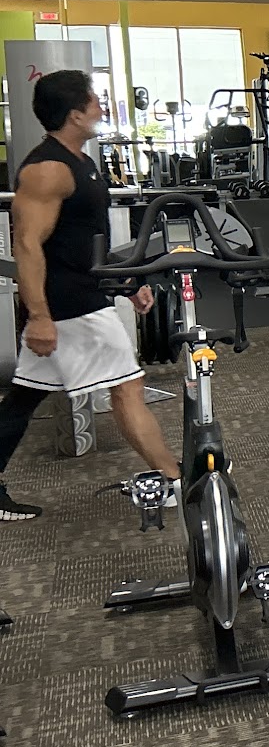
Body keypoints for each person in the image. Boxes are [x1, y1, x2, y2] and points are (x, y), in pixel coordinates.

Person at [0, 71, 179, 522]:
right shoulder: (48, 169)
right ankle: (174, 480)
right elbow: (27, 246)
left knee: (23, 399)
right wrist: (39, 316)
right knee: (127, 387)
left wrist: (126, 282)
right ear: (75, 114)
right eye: (95, 101)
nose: (101, 107)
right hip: (68, 305)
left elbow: (84, 242)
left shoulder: (80, 161)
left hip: (78, 294)